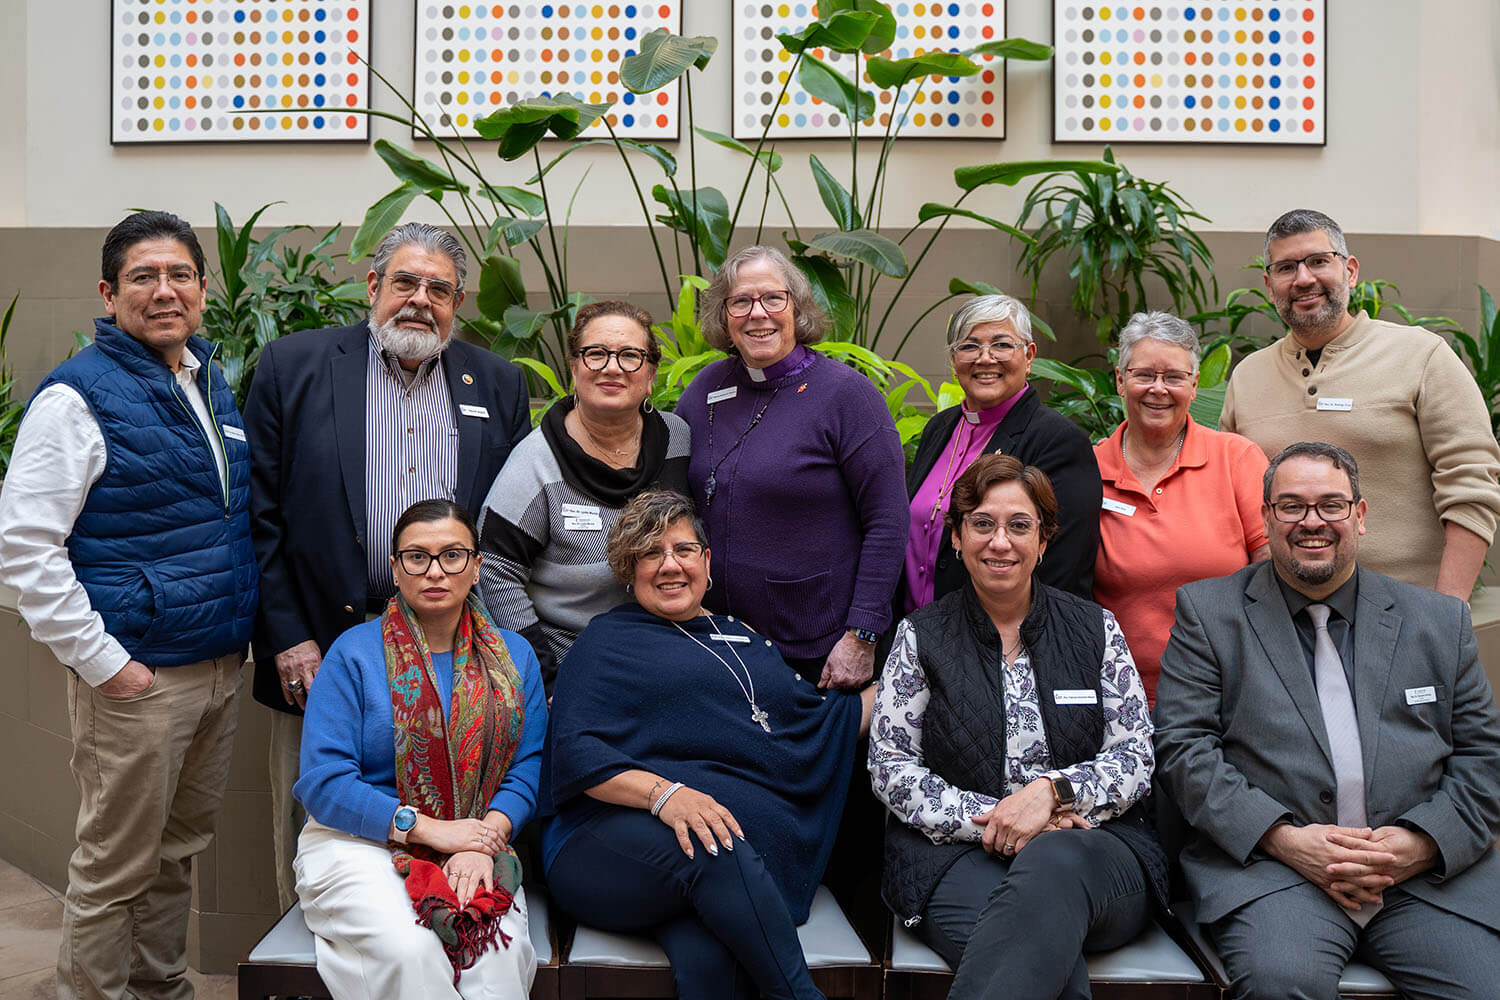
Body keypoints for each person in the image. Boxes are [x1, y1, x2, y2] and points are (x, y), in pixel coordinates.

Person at [0, 210, 257, 1000]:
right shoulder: (76, 398)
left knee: (178, 850)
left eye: (180, 274)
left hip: (214, 669)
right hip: (140, 680)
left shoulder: (205, 380)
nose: (164, 290)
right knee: (113, 869)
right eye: (143, 277)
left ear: (203, 291)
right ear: (109, 296)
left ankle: (160, 988)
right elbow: (24, 548)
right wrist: (108, 666)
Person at [244, 221, 531, 909]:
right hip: (318, 643)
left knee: (457, 814)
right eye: (405, 281)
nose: (419, 299)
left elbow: (514, 525)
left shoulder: (496, 382)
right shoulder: (295, 366)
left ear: (457, 302)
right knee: (316, 816)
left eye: (438, 288)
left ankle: (448, 946)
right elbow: (255, 515)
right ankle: (309, 967)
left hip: (454, 645)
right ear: (373, 286)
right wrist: (286, 635)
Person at [1155, 441, 1500, 999]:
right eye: (1290, 506)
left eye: (1331, 505)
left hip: (1422, 877)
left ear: (1359, 516)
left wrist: (1420, 844)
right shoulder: (1210, 615)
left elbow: (1484, 758)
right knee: (1280, 985)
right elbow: (1184, 750)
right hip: (1275, 873)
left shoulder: (1439, 622)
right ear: (1266, 517)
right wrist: (1285, 839)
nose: (1311, 522)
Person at [543, 490, 870, 1000]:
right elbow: (574, 751)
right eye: (650, 554)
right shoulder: (607, 640)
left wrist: (912, 682)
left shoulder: (743, 637)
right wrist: (668, 796)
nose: (669, 565)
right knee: (712, 846)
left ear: (707, 560)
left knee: (716, 960)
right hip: (599, 843)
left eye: (683, 549)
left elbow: (816, 719)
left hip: (714, 868)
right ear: (629, 572)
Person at [872, 454, 1165, 1000]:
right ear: (956, 538)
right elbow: (891, 768)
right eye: (981, 523)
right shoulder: (921, 636)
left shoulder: (1094, 628)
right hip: (955, 857)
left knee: (1053, 868)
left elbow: (1135, 755)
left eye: (1019, 525)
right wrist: (1003, 821)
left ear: (1045, 540)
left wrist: (1052, 795)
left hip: (1093, 850)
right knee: (1052, 976)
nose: (999, 542)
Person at [294, 499, 547, 999]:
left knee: (492, 954)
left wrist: (480, 841)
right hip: (356, 844)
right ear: (395, 568)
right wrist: (431, 831)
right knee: (413, 952)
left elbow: (527, 767)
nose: (435, 571)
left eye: (453, 555)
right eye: (417, 557)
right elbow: (324, 783)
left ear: (476, 567)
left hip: (477, 841)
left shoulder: (516, 658)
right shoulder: (353, 654)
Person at [1219, 208, 1500, 600]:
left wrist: (1446, 613)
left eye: (1319, 261)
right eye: (1286, 268)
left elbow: (1473, 486)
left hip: (1407, 616)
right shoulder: (1247, 377)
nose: (1303, 278)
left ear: (1350, 271)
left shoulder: (1422, 356)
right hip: (1281, 622)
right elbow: (1230, 497)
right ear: (1269, 285)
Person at [675, 244, 907, 689]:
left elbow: (888, 522)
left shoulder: (847, 395)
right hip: (718, 637)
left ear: (796, 307)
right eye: (741, 301)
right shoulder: (706, 389)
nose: (756, 313)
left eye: (772, 299)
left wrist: (862, 634)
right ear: (724, 315)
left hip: (814, 645)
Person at [478, 300, 689, 692]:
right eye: (596, 354)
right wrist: (546, 678)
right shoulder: (536, 463)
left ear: (651, 373)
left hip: (672, 656)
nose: (612, 367)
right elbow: (493, 571)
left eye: (630, 355)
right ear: (574, 368)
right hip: (574, 667)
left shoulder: (678, 440)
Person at [1092, 311, 1268, 704]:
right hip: (1116, 695)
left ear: (1194, 384)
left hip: (1225, 690)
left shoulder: (1236, 459)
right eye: (1144, 375)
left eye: (1173, 377)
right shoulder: (1089, 468)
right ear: (1120, 380)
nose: (1159, 389)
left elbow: (1271, 575)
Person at [904, 294, 1102, 608]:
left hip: (996, 640)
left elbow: (1061, 571)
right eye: (969, 346)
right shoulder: (939, 428)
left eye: (1002, 344)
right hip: (911, 635)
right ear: (954, 361)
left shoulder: (1059, 441)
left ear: (1029, 355)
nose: (985, 358)